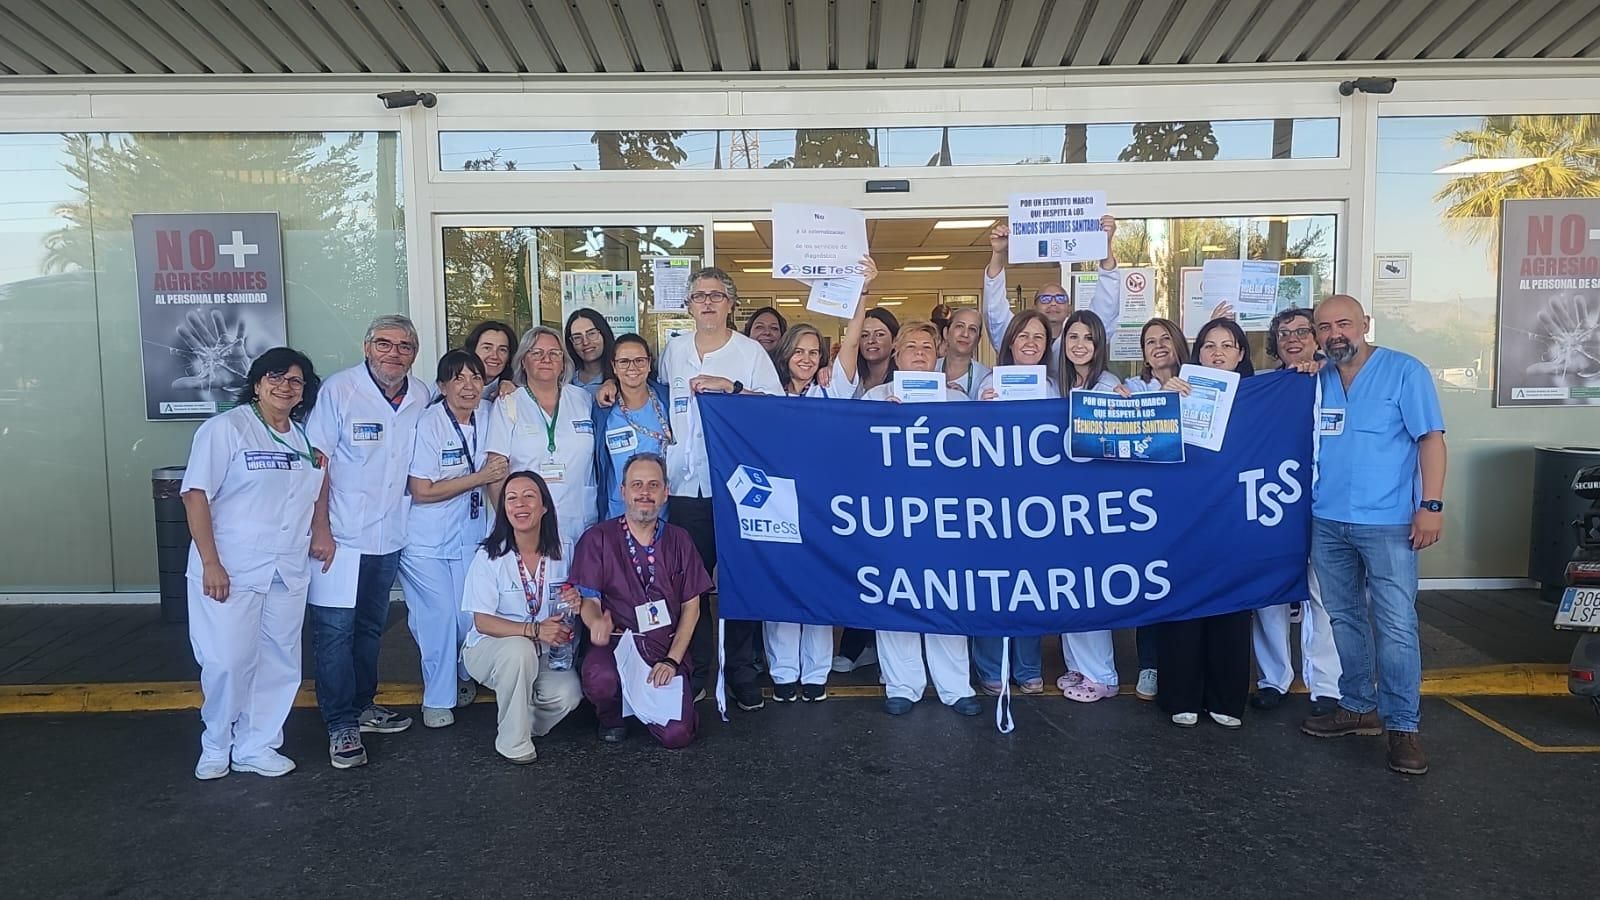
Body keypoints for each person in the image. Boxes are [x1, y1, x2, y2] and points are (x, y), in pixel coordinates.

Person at [1301, 294, 1446, 777]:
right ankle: (1358, 705)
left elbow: (1431, 440)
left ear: (1365, 324)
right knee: (1344, 619)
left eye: (1343, 323)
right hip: (1327, 520)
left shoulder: (1405, 371)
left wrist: (1431, 505)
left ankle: (1403, 725)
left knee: (1397, 625)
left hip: (1388, 523)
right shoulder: (1317, 380)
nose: (1334, 333)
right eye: (1324, 327)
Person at [181, 348, 328, 780]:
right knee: (228, 659)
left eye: (295, 381)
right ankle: (216, 742)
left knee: (279, 660)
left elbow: (316, 492)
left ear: (304, 391)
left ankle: (258, 743)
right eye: (276, 377)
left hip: (286, 569)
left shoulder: (302, 439)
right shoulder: (226, 429)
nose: (285, 386)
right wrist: (211, 561)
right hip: (232, 567)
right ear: (258, 382)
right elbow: (195, 495)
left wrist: (320, 530)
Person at [305, 314, 430, 769]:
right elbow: (318, 463)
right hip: (340, 536)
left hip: (390, 535)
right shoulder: (340, 391)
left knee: (371, 629)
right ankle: (340, 724)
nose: (393, 353)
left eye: (404, 346)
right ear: (366, 347)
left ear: (414, 353)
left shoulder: (420, 395)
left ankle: (362, 706)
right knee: (334, 632)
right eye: (384, 344)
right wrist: (319, 528)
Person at [659, 266, 784, 710]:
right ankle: (695, 668)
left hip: (736, 486)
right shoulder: (672, 352)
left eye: (716, 295)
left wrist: (730, 388)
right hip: (683, 486)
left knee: (740, 582)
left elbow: (775, 409)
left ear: (731, 304)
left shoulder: (750, 352)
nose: (707, 302)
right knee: (689, 586)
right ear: (689, 305)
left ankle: (742, 672)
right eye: (698, 296)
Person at [764, 262, 874, 702]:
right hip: (776, 506)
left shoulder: (832, 389)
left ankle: (815, 673)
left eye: (814, 352)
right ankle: (784, 672)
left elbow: (852, 338)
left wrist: (863, 290)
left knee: (818, 589)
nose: (807, 360)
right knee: (782, 591)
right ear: (785, 354)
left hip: (822, 505)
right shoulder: (767, 393)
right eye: (799, 352)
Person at [862, 320, 982, 717]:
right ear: (895, 354)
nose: (918, 352)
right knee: (896, 596)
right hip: (892, 518)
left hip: (945, 517)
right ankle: (902, 684)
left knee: (947, 596)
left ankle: (954, 686)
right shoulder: (874, 398)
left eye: (927, 348)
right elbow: (852, 450)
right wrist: (879, 419)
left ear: (937, 356)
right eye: (910, 346)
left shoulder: (959, 401)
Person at [1156, 318, 1258, 729]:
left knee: (1231, 606)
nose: (1217, 353)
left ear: (1240, 355)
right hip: (1184, 514)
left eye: (1227, 345)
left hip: (1234, 515)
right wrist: (1164, 403)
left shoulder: (1261, 398)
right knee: (1182, 603)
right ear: (1197, 354)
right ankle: (1180, 694)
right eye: (1209, 346)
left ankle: (1226, 697)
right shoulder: (1178, 392)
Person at [398, 351, 508, 729]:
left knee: (468, 616)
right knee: (438, 617)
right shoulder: (430, 424)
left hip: (470, 534)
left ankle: (462, 677)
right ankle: (436, 698)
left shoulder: (488, 414)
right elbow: (423, 490)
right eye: (458, 379)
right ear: (442, 387)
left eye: (475, 378)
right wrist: (479, 477)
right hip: (425, 540)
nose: (468, 386)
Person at [573, 453, 712, 747]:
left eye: (653, 485)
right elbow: (589, 600)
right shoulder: (597, 538)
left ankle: (656, 703)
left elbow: (692, 607)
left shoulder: (680, 540)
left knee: (678, 735)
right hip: (616, 643)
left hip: (663, 646)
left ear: (666, 492)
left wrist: (672, 660)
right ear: (622, 491)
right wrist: (595, 621)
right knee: (601, 679)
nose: (644, 493)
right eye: (636, 485)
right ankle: (612, 717)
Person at [1251, 307, 1342, 717]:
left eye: (1302, 331)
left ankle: (1326, 684)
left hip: (1324, 503)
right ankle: (1274, 679)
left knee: (1322, 596)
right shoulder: (1262, 387)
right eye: (1284, 333)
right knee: (1268, 595)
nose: (1293, 339)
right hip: (1272, 503)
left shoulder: (1333, 379)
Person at [460, 471, 584, 763]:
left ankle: (519, 718)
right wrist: (533, 629)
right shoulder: (489, 556)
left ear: (544, 507)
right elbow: (483, 622)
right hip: (491, 649)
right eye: (511, 498)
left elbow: (580, 595)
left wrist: (577, 600)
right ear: (504, 509)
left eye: (529, 496)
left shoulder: (565, 548)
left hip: (546, 653)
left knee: (568, 695)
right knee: (519, 650)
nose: (520, 505)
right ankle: (513, 741)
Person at [967, 311, 1055, 694]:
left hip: (1036, 500)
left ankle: (1027, 665)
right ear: (1010, 343)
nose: (1031, 343)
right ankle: (990, 666)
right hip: (992, 500)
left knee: (1029, 584)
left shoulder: (1054, 386)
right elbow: (961, 444)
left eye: (1038, 337)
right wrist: (980, 412)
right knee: (991, 584)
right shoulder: (988, 382)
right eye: (1023, 336)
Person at [1052, 308, 1128, 703]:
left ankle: (1103, 676)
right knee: (1070, 586)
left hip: (1094, 502)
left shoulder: (1108, 385)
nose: (1079, 345)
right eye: (1073, 338)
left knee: (1089, 588)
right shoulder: (1063, 384)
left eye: (1087, 339)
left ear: (1099, 346)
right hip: (1067, 502)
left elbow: (1090, 448)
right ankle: (1078, 666)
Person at [1121, 316, 1190, 701]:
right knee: (1151, 583)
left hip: (1194, 499)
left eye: (1166, 338)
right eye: (1150, 342)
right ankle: (1149, 664)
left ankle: (1184, 663)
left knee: (1187, 581)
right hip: (1146, 502)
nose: (1159, 346)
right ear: (1144, 354)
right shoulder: (1131, 387)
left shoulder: (1202, 380)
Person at [485, 325, 599, 556]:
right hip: (527, 524)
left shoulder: (584, 400)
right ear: (523, 362)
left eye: (554, 353)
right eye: (536, 353)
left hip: (580, 519)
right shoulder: (508, 404)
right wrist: (509, 523)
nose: (546, 359)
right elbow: (496, 472)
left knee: (576, 590)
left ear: (564, 363)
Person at [831, 305, 900, 675]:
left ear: (894, 342)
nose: (872, 341)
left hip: (894, 488)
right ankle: (855, 641)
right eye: (866, 334)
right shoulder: (843, 376)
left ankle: (879, 643)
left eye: (881, 334)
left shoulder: (911, 379)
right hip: (852, 485)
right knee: (859, 567)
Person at [983, 215, 1122, 382]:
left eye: (1060, 298)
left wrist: (1104, 245)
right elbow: (995, 309)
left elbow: (1107, 304)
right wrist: (998, 254)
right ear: (1035, 307)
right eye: (1046, 299)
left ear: (1069, 308)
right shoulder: (1017, 334)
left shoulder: (1079, 336)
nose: (1054, 303)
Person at [593, 333, 671, 521]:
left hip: (662, 514)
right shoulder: (603, 409)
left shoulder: (666, 400)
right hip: (618, 512)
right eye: (624, 362)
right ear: (614, 366)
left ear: (649, 362)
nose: (632, 368)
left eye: (639, 360)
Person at [937, 306, 990, 398]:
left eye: (972, 329)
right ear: (946, 333)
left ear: (978, 340)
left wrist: (962, 398)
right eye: (959, 326)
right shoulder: (930, 369)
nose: (965, 334)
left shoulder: (986, 377)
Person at [565, 308, 616, 400]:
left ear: (604, 334)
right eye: (577, 337)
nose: (585, 342)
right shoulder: (566, 379)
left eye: (591, 334)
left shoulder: (622, 375)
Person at [464, 320, 520, 401]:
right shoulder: (450, 384)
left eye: (502, 350)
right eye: (487, 348)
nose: (494, 356)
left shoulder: (515, 391)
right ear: (472, 350)